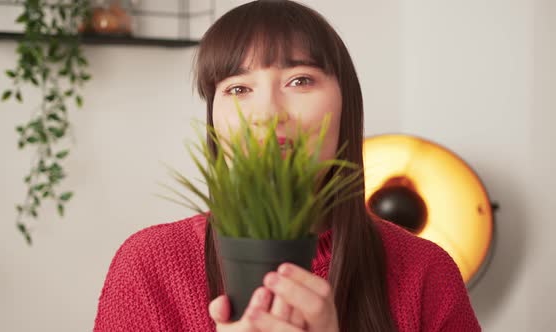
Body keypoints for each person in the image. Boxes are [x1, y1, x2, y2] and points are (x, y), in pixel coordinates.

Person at [93, 1, 481, 331]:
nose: (266, 114)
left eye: (299, 81)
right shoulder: (150, 265)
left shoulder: (425, 271)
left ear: (347, 104)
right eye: (238, 89)